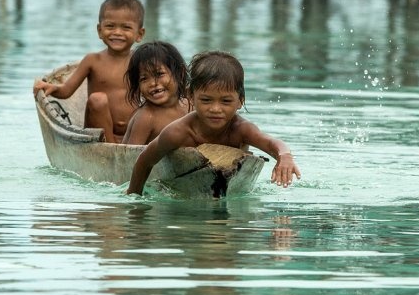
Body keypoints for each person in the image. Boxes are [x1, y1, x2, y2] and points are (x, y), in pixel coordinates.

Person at [126, 50, 301, 194]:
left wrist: (284, 156)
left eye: (226, 101)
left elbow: (271, 143)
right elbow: (145, 160)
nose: (215, 109)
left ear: (240, 101)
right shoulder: (178, 132)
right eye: (206, 100)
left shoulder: (241, 129)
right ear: (191, 97)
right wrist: (134, 198)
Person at [33, 0, 145, 143]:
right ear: (99, 31)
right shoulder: (92, 61)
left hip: (134, 135)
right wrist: (50, 87)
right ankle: (111, 148)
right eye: (110, 26)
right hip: (100, 135)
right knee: (97, 100)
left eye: (126, 28)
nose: (117, 32)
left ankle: (132, 148)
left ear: (139, 34)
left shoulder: (142, 61)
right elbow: (66, 91)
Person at [121, 41, 190, 145]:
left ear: (180, 74)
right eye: (144, 78)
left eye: (159, 74)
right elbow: (130, 156)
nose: (153, 83)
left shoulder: (189, 106)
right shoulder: (146, 117)